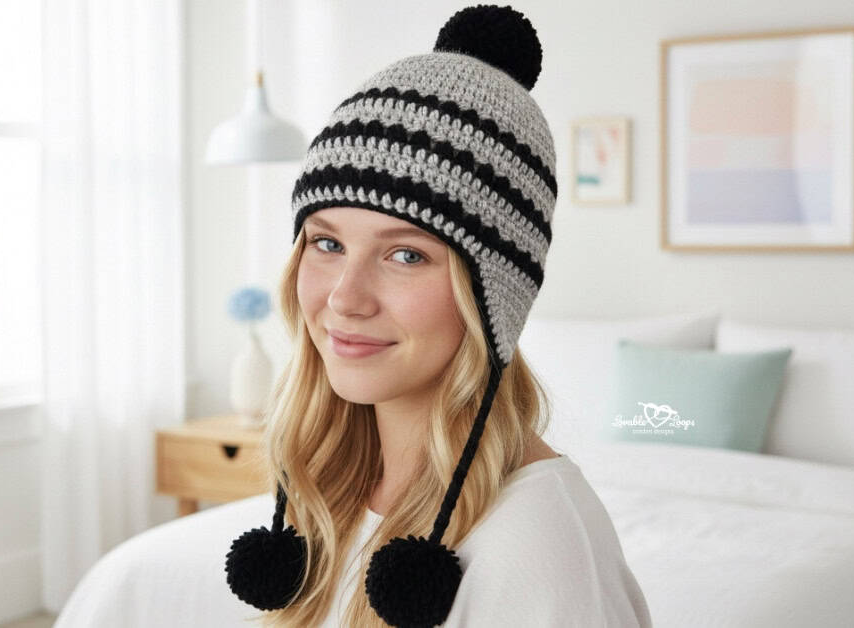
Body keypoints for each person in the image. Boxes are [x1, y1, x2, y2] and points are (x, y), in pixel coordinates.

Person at [223, 5, 652, 627]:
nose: (345, 297)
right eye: (327, 242)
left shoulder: (539, 541)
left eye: (406, 254)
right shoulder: (327, 495)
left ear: (492, 298)